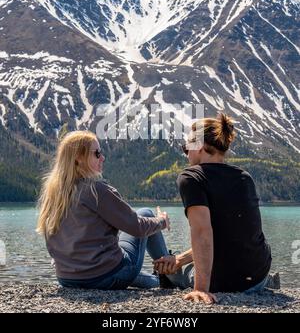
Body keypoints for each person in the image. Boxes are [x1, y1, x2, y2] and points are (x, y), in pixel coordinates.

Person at [154, 113, 273, 304]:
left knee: (168, 272)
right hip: (258, 276)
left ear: (198, 146)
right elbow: (229, 237)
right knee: (177, 261)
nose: (186, 154)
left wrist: (201, 289)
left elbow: (202, 232)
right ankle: (267, 282)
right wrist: (180, 259)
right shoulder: (244, 177)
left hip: (227, 282)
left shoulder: (191, 178)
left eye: (186, 148)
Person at [36, 130, 170, 290]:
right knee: (146, 213)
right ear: (78, 157)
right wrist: (162, 220)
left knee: (117, 268)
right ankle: (170, 273)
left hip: (67, 279)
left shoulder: (53, 193)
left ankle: (161, 282)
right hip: (104, 275)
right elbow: (137, 227)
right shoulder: (95, 190)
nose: (103, 158)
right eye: (97, 153)